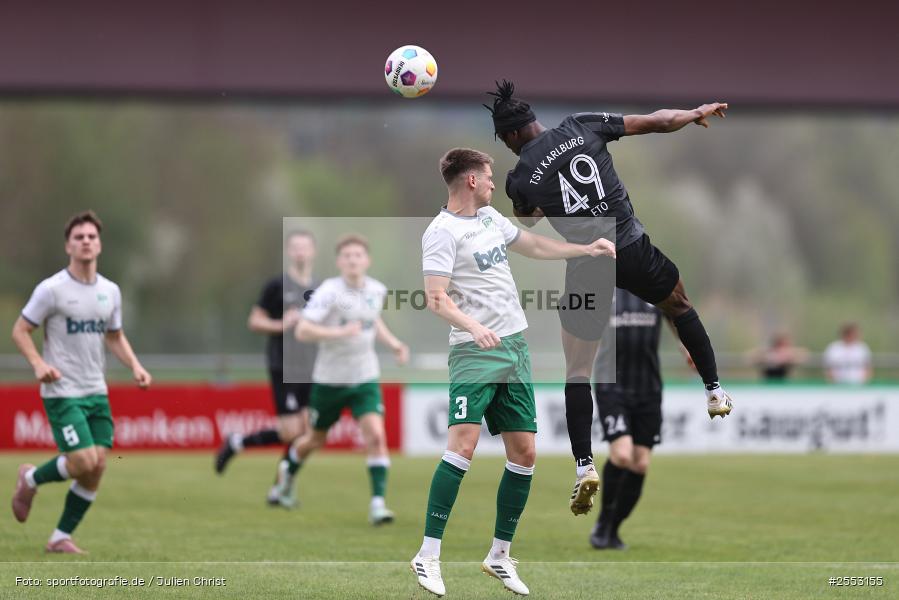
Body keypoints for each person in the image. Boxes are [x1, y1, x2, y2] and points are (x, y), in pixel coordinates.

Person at [486, 80, 734, 515]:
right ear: (533, 120)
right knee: (679, 305)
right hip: (629, 246)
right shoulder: (581, 125)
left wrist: (541, 200)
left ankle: (584, 466)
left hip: (587, 262)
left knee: (578, 370)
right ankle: (714, 390)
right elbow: (654, 122)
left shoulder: (520, 176)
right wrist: (693, 112)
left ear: (509, 137)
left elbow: (528, 217)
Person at [410, 148, 616, 597]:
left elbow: (533, 244)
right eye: (487, 177)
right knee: (462, 447)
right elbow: (435, 297)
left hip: (514, 349)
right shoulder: (441, 232)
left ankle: (499, 556)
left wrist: (586, 248)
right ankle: (427, 554)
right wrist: (474, 326)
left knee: (524, 454)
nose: (492, 183)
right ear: (469, 181)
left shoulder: (491, 219)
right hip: (474, 353)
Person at [10, 211, 152, 554]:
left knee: (97, 467)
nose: (86, 241)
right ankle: (29, 480)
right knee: (84, 462)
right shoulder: (52, 289)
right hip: (63, 391)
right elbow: (20, 330)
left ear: (99, 244)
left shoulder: (110, 291)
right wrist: (38, 364)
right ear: (68, 246)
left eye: (91, 236)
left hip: (96, 390)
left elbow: (115, 336)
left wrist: (135, 365)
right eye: (79, 237)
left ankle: (60, 537)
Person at [278, 234, 409, 526]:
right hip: (329, 380)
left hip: (364, 376)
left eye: (358, 255)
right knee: (315, 438)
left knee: (375, 435)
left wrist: (394, 344)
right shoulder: (328, 291)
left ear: (367, 260)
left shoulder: (377, 289)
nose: (353, 260)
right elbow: (302, 331)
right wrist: (338, 333)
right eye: (347, 256)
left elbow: (372, 320)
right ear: (339, 262)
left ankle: (378, 505)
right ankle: (287, 474)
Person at [215, 230, 319, 506]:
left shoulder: (320, 289)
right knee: (291, 433)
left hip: (312, 368)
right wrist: (281, 324)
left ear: (313, 252)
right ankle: (240, 445)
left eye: (304, 247)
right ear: (288, 251)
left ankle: (279, 487)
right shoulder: (276, 286)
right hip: (282, 365)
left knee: (308, 434)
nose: (300, 252)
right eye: (295, 247)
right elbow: (254, 321)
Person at [589, 288, 690, 550]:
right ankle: (602, 523)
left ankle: (613, 527)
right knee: (622, 454)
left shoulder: (656, 284)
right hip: (611, 384)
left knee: (640, 463)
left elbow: (678, 316)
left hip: (648, 387)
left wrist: (688, 345)